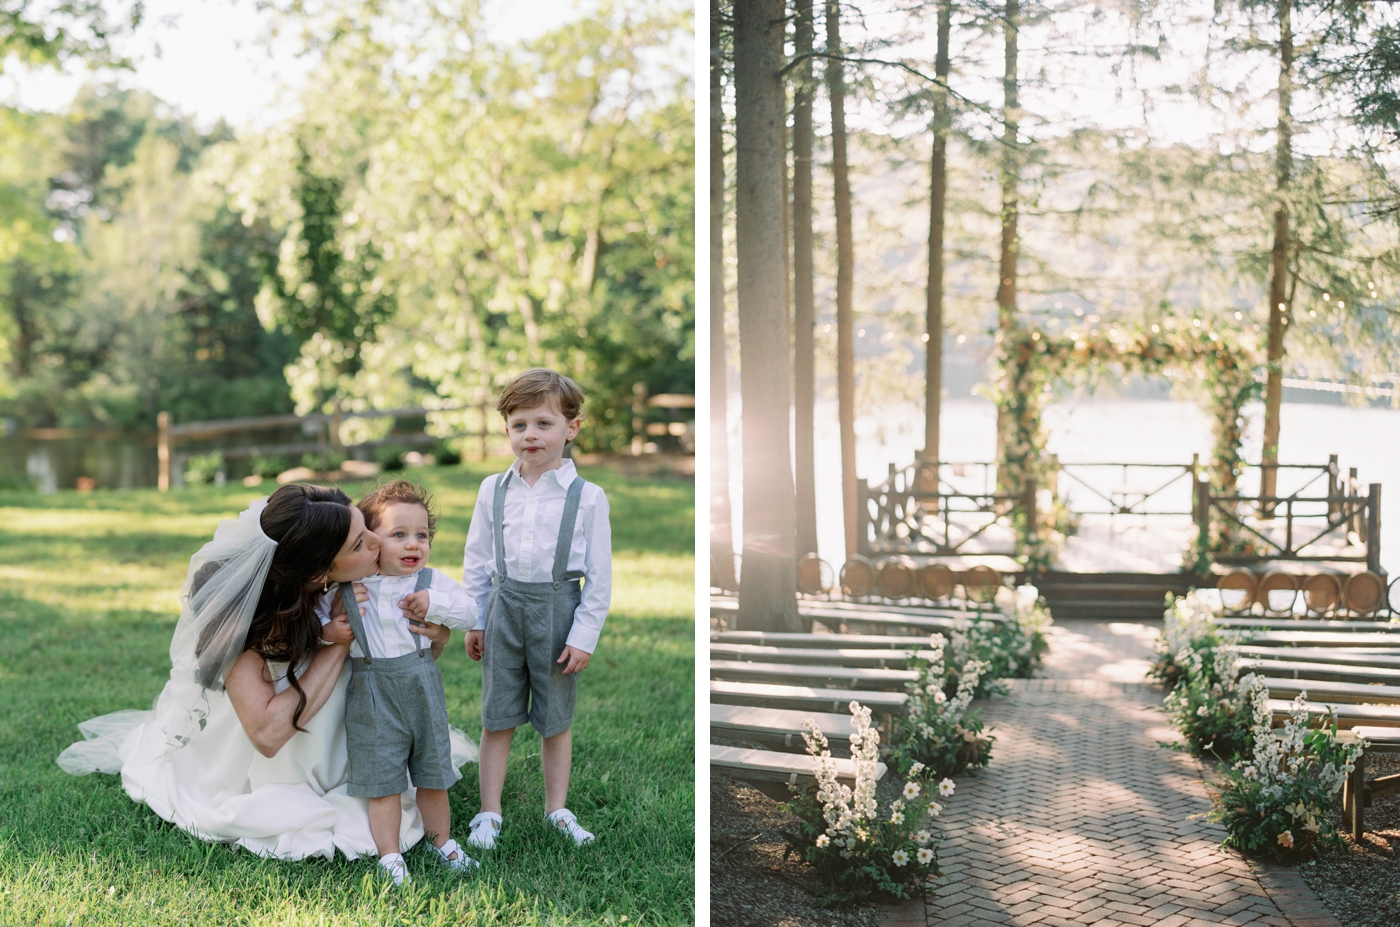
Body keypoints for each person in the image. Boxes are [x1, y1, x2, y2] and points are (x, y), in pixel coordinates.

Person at [56, 483, 477, 862]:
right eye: (360, 542)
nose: (378, 544)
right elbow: (267, 736)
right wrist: (337, 644)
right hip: (267, 753)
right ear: (318, 573)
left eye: (367, 528)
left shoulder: (355, 574)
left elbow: (403, 662)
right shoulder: (248, 624)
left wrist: (434, 637)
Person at [461, 368, 612, 851]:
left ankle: (557, 809)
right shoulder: (493, 490)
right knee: (496, 715)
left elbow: (600, 578)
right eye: (519, 424)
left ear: (572, 428)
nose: (531, 434)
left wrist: (582, 636)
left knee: (555, 719)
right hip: (504, 608)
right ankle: (489, 811)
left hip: (558, 610)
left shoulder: (588, 498)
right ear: (506, 429)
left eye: (544, 423)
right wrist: (475, 618)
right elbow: (478, 559)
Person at [334, 480, 479, 884]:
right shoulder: (349, 588)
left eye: (422, 536)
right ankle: (391, 856)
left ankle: (444, 843)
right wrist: (330, 628)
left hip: (421, 689)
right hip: (371, 694)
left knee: (433, 773)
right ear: (371, 541)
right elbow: (315, 622)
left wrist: (438, 605)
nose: (413, 544)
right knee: (384, 781)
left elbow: (471, 613)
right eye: (399, 535)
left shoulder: (430, 583)